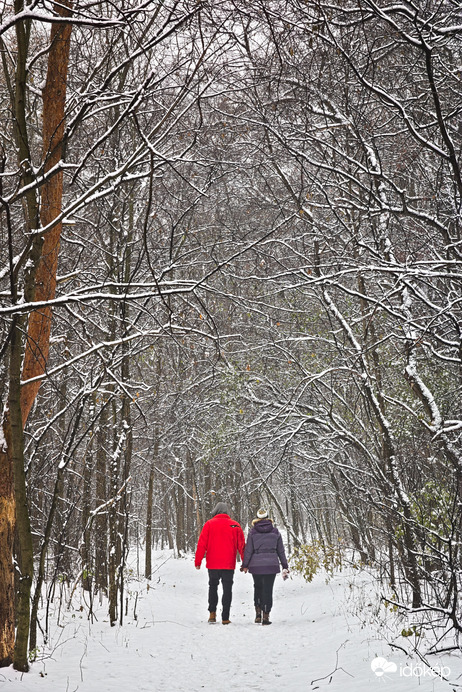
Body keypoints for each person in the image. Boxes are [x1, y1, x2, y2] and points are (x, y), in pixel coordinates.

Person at [195, 502, 245, 625]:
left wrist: (198, 561)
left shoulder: (209, 525)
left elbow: (202, 544)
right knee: (227, 589)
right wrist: (245, 562)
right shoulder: (235, 525)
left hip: (213, 563)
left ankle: (212, 613)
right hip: (228, 564)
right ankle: (225, 617)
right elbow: (242, 546)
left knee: (213, 587)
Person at [242, 508, 289, 625]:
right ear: (268, 518)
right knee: (268, 589)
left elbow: (248, 551)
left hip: (256, 565)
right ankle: (266, 616)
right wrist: (285, 565)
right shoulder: (275, 532)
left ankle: (258, 614)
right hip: (271, 565)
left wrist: (245, 565)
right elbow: (281, 551)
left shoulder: (253, 532)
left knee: (257, 587)